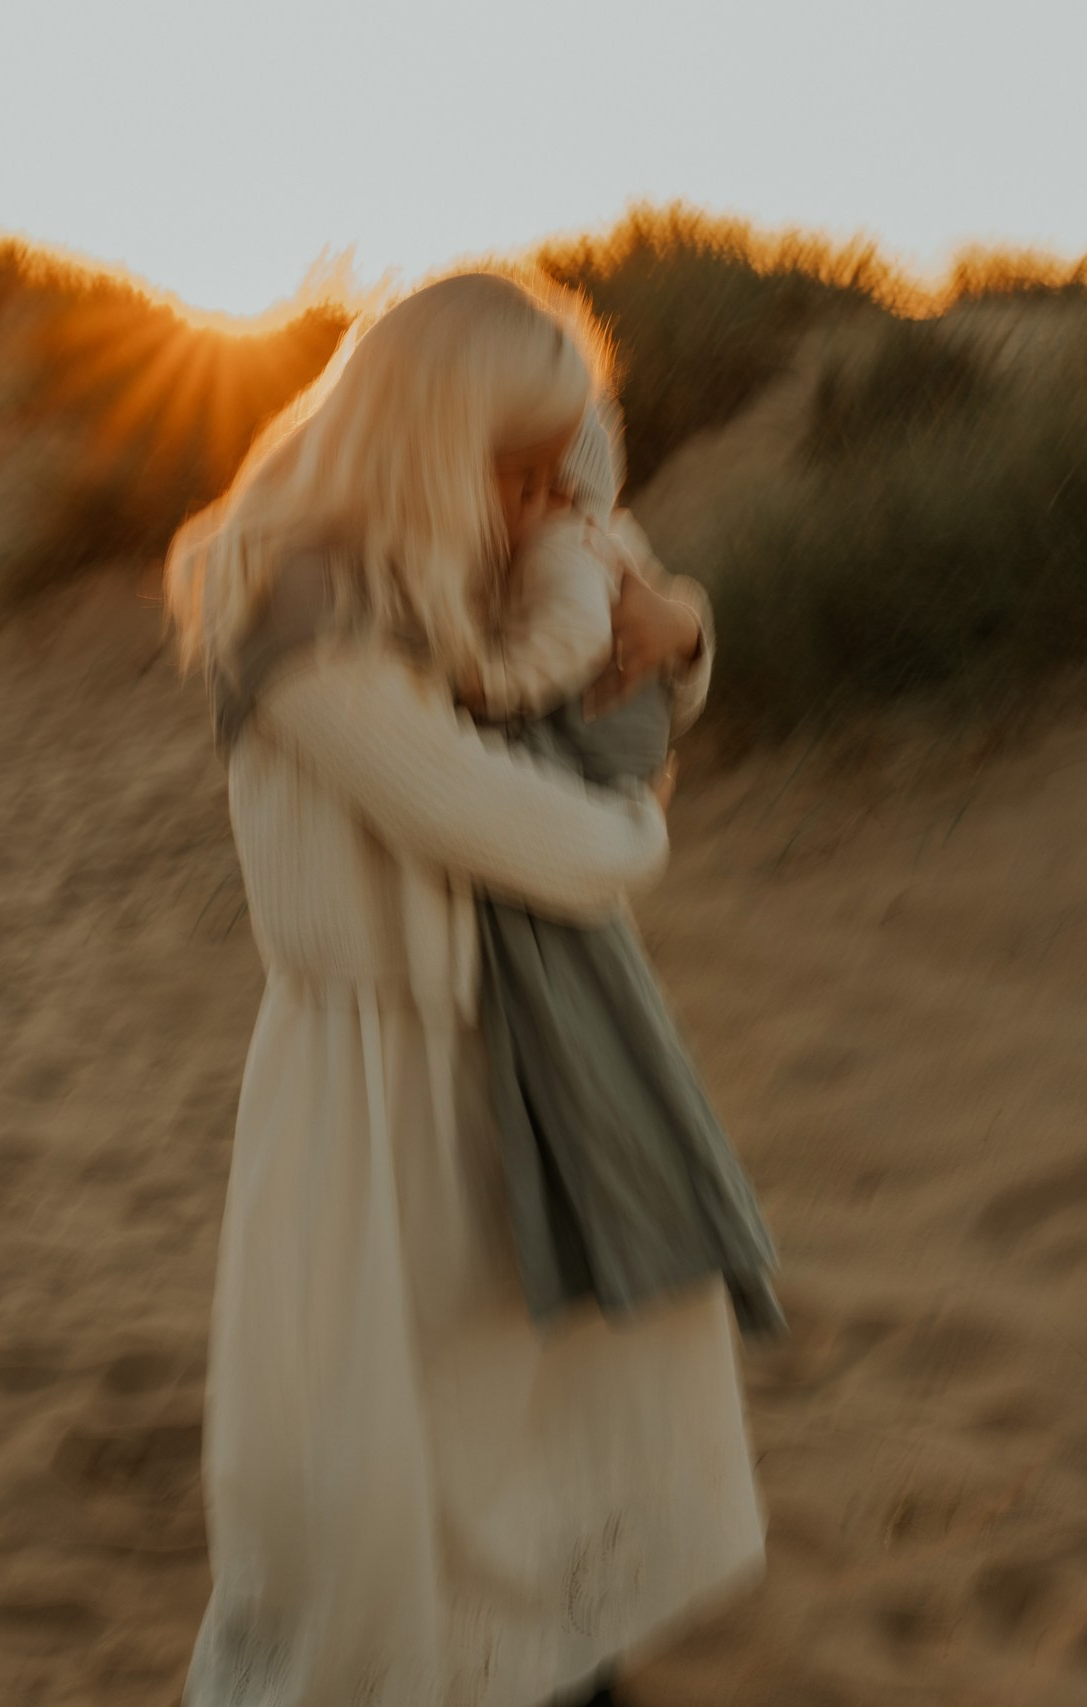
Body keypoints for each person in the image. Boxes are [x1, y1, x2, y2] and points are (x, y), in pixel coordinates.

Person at [165, 271, 763, 1707]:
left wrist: (674, 630)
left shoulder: (481, 562)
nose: (553, 489)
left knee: (538, 1440)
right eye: (519, 457)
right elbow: (515, 824)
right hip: (379, 1082)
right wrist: (637, 834)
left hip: (528, 1054)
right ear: (430, 434)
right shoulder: (304, 599)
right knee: (395, 1470)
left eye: (564, 456)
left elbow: (617, 656)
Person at [458, 401, 785, 1343]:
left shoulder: (564, 548)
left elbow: (580, 643)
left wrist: (494, 685)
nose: (541, 503)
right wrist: (683, 631)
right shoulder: (595, 538)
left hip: (593, 768)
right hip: (594, 787)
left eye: (551, 486)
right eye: (522, 484)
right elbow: (671, 623)